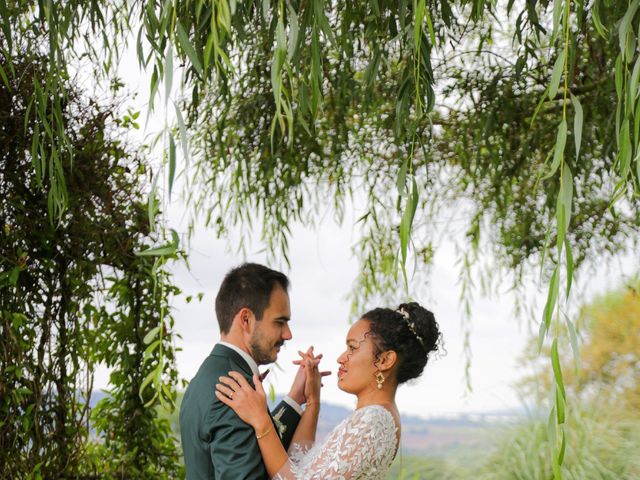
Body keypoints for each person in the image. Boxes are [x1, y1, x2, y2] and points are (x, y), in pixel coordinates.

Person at [216, 302, 442, 479]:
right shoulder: (375, 416)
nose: (341, 359)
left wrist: (261, 421)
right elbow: (298, 464)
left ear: (384, 360)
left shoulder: (373, 421)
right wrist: (312, 402)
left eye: (352, 348)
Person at [180, 263, 329, 479]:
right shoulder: (232, 390)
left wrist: (295, 399)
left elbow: (262, 448)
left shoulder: (210, 375)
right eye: (280, 322)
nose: (288, 334)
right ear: (246, 320)